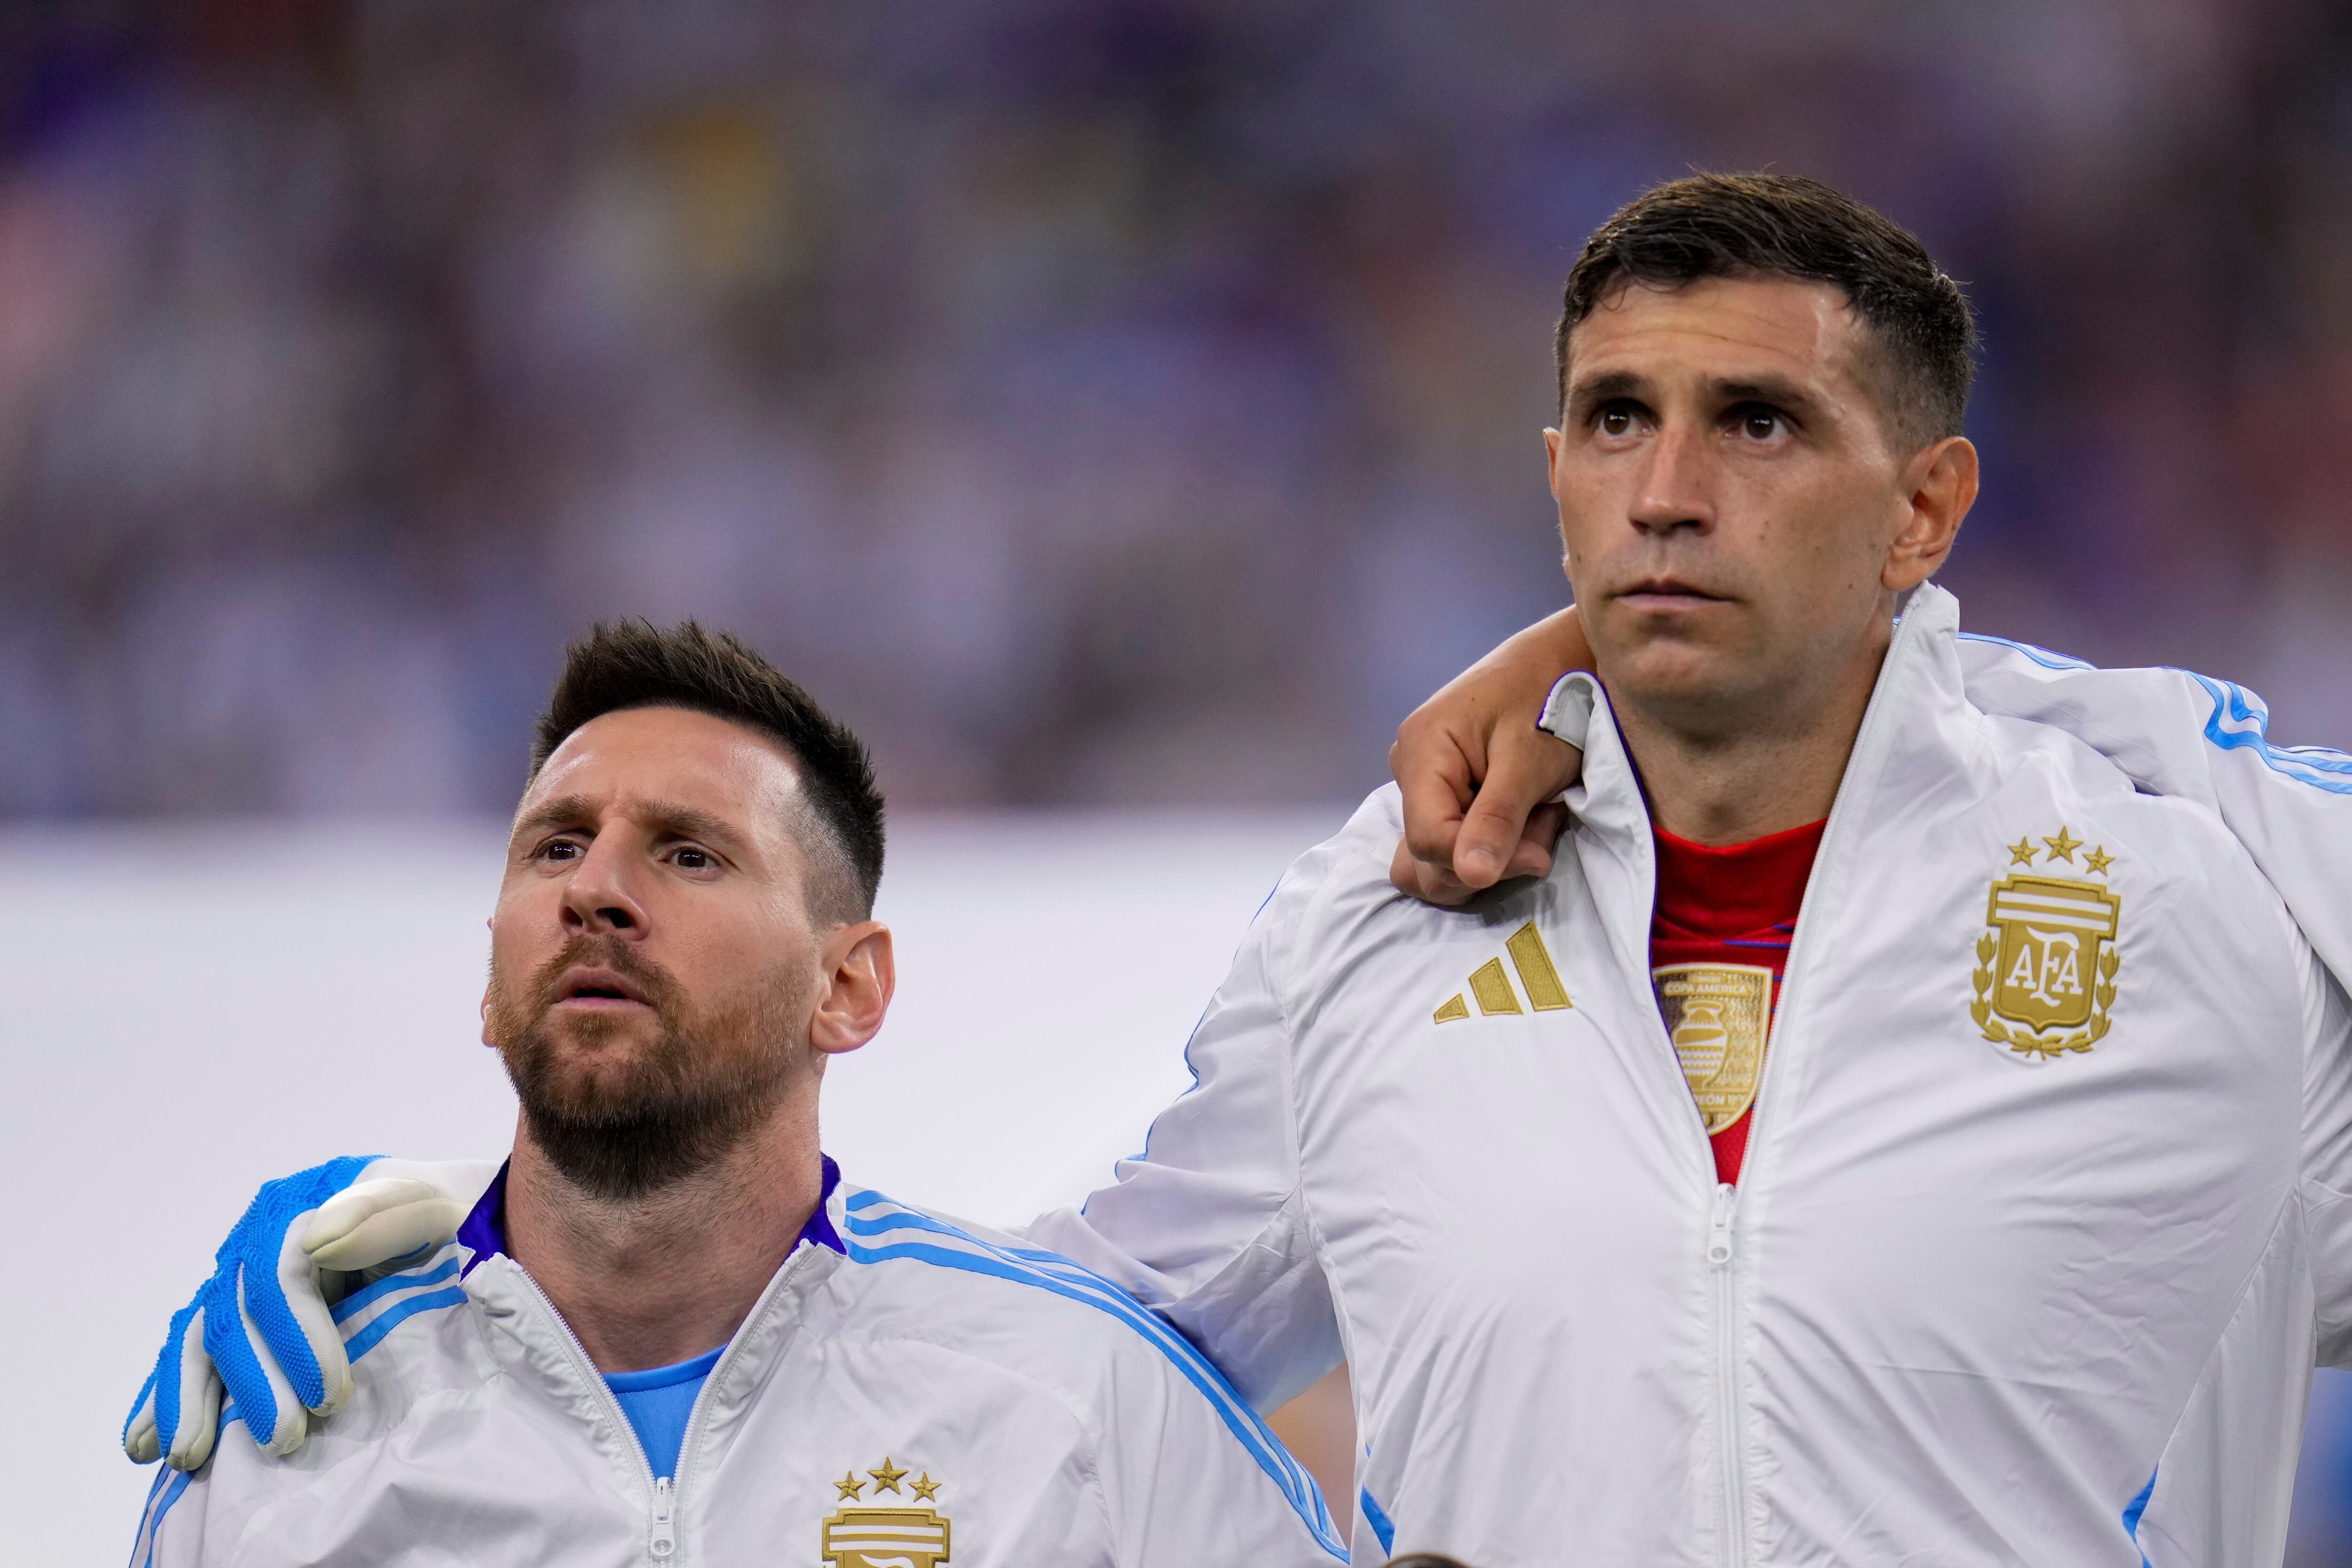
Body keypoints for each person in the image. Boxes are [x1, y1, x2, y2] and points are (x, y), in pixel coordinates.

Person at [133, 176, 2352, 1565]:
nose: (1664, 490)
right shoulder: (1388, 927)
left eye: (1754, 425)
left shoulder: (2184, 903)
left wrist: (1876, 677)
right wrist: (509, 1287)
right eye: (1610, 420)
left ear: (1924, 511)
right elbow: (1063, 1346)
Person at [123, 621, 1346, 1567]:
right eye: (555, 846)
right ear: (492, 979)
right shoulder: (280, 1451)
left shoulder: (1073, 1398)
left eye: (688, 853)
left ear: (849, 985)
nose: (596, 889)